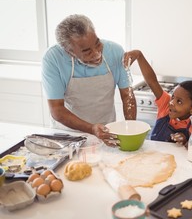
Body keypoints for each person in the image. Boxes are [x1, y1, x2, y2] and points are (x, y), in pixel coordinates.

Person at [41, 14, 136, 145]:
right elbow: (57, 110)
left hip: (107, 132)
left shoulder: (115, 51)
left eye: (97, 44)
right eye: (87, 51)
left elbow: (127, 96)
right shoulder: (53, 58)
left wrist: (131, 129)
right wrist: (91, 128)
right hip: (69, 137)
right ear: (69, 51)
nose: (97, 53)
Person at [124, 50, 192, 146]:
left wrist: (185, 139)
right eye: (173, 97)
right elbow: (152, 82)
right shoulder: (166, 105)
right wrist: (139, 56)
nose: (172, 103)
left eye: (179, 101)